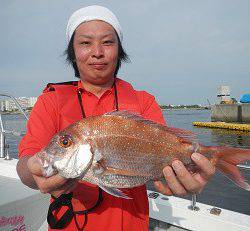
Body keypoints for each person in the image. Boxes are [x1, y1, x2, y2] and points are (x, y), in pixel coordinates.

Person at [17, 5, 215, 231]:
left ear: (119, 50)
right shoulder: (51, 101)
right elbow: (26, 164)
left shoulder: (144, 102)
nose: (97, 52)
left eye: (108, 42)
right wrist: (32, 172)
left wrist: (182, 179)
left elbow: (163, 164)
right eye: (85, 43)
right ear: (72, 51)